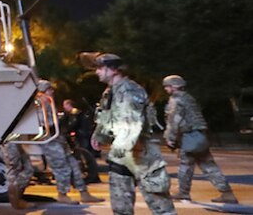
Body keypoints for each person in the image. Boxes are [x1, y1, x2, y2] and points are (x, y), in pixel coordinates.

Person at [89, 53, 176, 215]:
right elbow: (107, 117)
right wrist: (99, 135)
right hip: (121, 155)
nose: (97, 72)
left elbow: (131, 125)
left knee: (161, 206)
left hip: (141, 154)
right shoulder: (110, 92)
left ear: (114, 70)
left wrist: (118, 150)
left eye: (101, 68)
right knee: (121, 206)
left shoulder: (130, 89)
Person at [162, 74, 237, 203]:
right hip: (199, 135)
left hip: (190, 136)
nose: (166, 89)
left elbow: (175, 121)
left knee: (189, 165)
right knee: (203, 164)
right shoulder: (188, 98)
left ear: (174, 87)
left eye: (167, 86)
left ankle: (183, 192)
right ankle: (226, 192)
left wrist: (170, 138)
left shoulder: (176, 100)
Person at [35, 80, 102, 204]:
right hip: (49, 139)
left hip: (57, 137)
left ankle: (83, 192)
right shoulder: (41, 102)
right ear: (43, 90)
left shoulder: (48, 101)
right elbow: (43, 123)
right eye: (49, 89)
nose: (52, 91)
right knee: (61, 166)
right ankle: (62, 194)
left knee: (73, 164)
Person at [0, 141, 34, 209]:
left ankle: (18, 198)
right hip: (8, 142)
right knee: (14, 171)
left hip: (16, 140)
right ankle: (15, 203)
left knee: (28, 169)